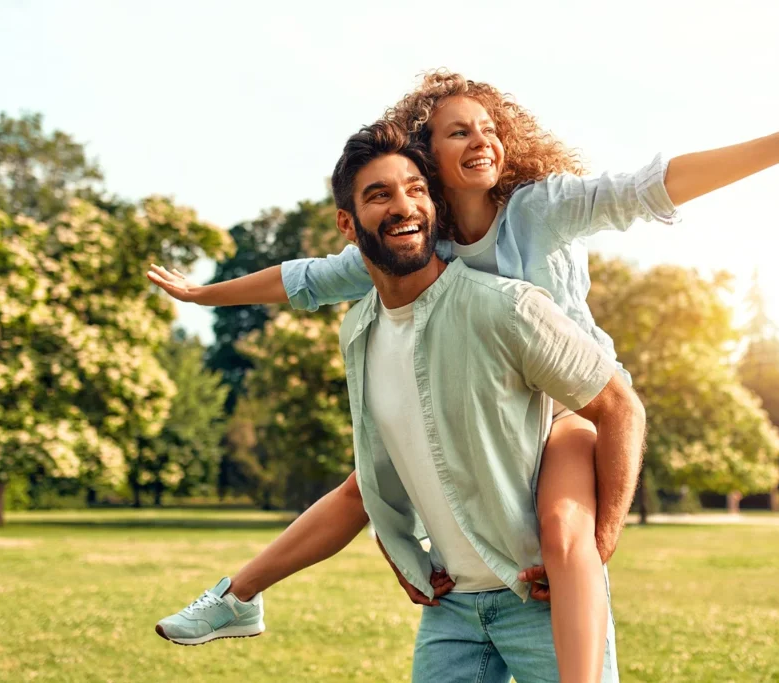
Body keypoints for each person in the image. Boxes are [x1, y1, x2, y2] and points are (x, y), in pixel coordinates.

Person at [150, 71, 779, 680]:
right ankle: (239, 592)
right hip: (487, 416)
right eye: (459, 130)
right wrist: (202, 294)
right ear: (428, 156)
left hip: (568, 412)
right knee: (365, 484)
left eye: (490, 127)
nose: (483, 139)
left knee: (566, 533)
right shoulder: (414, 233)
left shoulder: (541, 209)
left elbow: (653, 186)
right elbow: (305, 278)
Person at [159, 121, 646, 681]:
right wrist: (403, 553)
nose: (403, 206)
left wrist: (599, 541)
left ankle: (237, 595)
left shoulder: (508, 307)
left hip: (539, 597)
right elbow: (378, 474)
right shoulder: (360, 330)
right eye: (379, 194)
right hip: (453, 609)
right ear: (347, 223)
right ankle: (237, 595)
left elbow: (619, 406)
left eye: (415, 188)